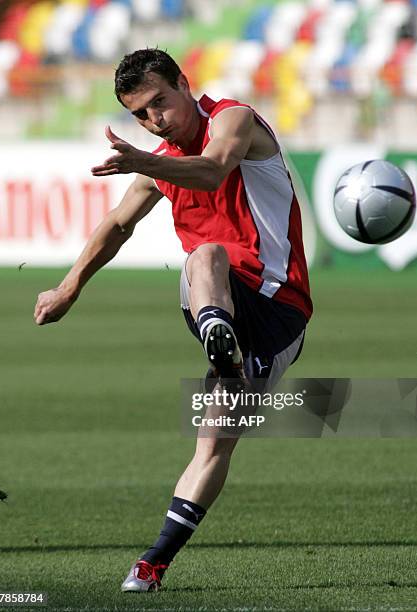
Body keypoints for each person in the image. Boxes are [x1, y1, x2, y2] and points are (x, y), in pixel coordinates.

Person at [34, 48, 313, 593]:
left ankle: (159, 556)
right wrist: (68, 288)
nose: (154, 119)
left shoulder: (234, 118)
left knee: (214, 446)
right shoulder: (159, 161)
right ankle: (150, 564)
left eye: (160, 102)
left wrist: (143, 161)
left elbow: (211, 172)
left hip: (281, 310)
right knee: (205, 256)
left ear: (184, 84)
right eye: (140, 114)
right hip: (219, 299)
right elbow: (117, 224)